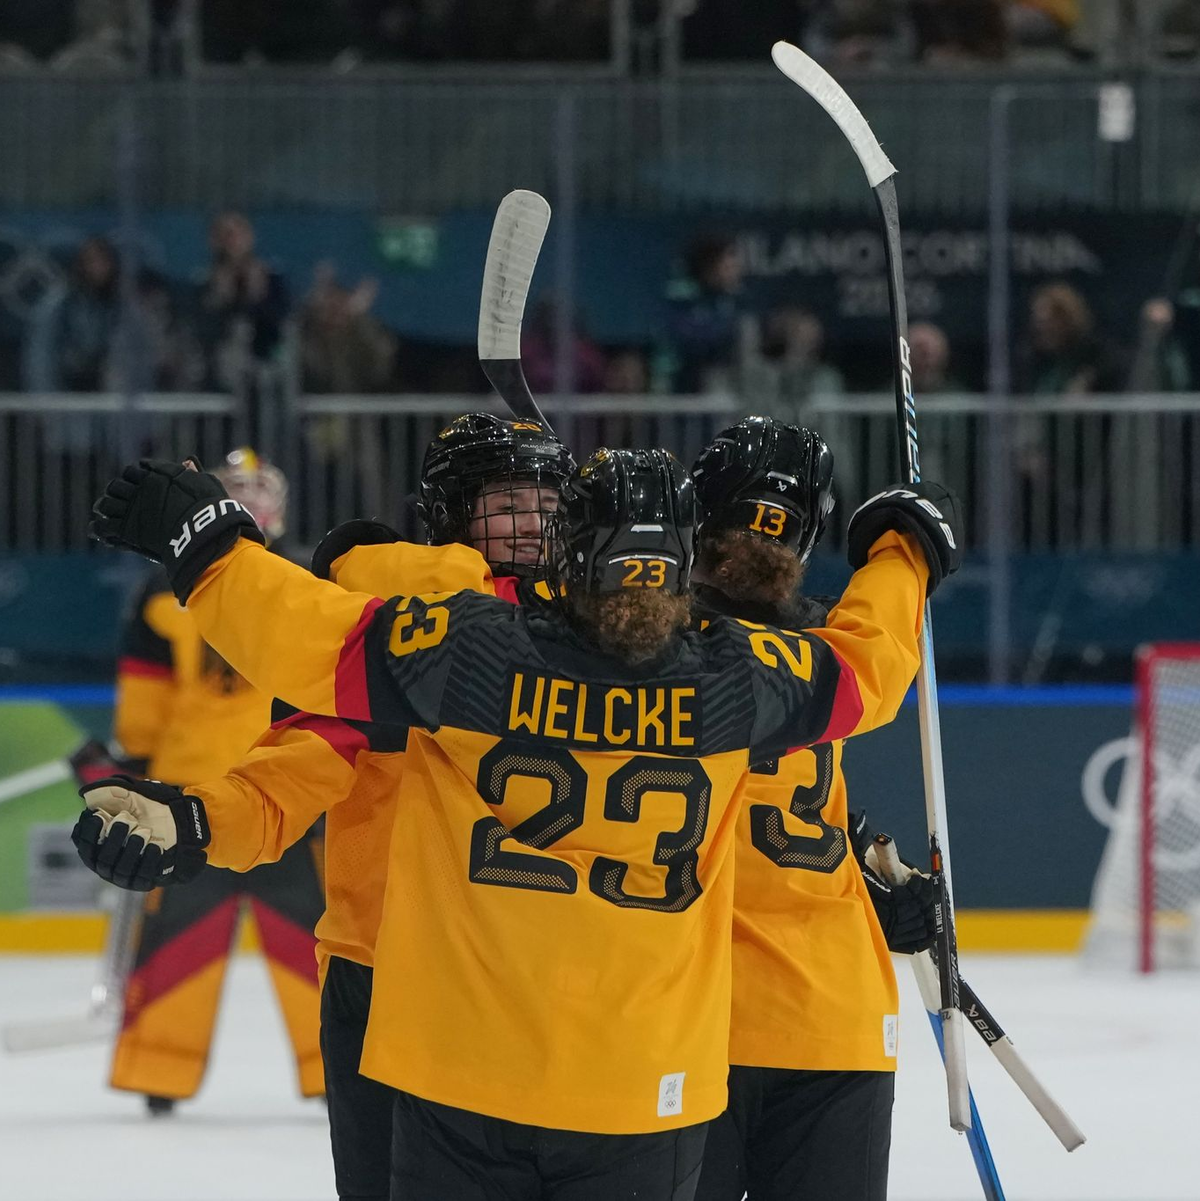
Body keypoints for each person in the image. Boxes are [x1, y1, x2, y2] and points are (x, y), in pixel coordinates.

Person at [78, 446, 961, 1199]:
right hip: (644, 1086)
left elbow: (304, 638)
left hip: (461, 1070)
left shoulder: (472, 651)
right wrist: (904, 553)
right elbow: (869, 667)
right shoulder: (734, 677)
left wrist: (213, 547)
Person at [79, 414, 571, 1200]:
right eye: (507, 500)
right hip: (389, 965)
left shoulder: (607, 630)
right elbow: (301, 765)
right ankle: (160, 1072)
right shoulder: (402, 627)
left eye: (548, 503)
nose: (530, 523)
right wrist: (195, 820)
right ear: (452, 514)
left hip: (554, 983)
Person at [689, 416, 937, 1201]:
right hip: (836, 1021)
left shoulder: (642, 653)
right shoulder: (827, 645)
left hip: (694, 1022)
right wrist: (907, 549)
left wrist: (861, 863)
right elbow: (878, 653)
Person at [101, 448, 325, 1115]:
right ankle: (335, 1070)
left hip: (194, 796)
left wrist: (137, 764)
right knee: (318, 943)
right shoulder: (310, 577)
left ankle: (156, 1070)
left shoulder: (165, 585)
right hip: (286, 788)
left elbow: (142, 706)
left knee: (181, 938)